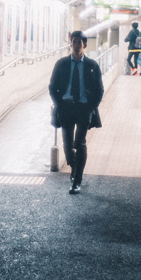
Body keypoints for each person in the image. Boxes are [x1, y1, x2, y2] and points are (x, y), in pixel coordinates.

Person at [49, 30, 105, 194]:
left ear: (85, 45)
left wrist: (91, 106)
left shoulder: (92, 65)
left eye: (79, 42)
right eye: (73, 42)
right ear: (70, 43)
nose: (76, 45)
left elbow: (99, 90)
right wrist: (59, 104)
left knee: (79, 143)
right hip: (66, 107)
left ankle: (77, 180)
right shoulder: (61, 64)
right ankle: (74, 167)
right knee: (67, 145)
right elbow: (52, 87)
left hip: (83, 108)